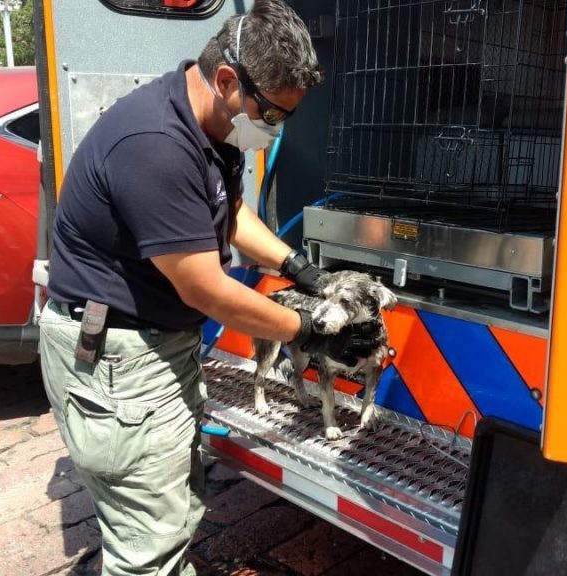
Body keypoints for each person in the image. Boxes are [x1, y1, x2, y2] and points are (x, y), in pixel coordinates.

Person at [37, 1, 383, 574]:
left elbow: (229, 213)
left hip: (152, 346)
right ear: (228, 80)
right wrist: (308, 330)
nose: (275, 130)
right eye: (272, 113)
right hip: (118, 361)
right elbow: (207, 290)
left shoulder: (207, 122)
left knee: (173, 508)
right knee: (149, 547)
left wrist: (300, 269)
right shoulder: (156, 145)